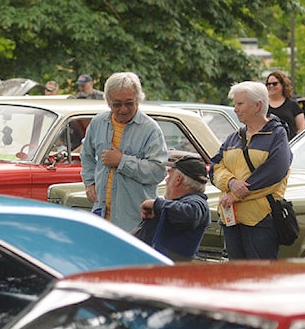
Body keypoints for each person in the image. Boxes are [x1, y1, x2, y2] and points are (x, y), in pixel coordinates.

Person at [210, 80, 292, 260]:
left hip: (261, 221)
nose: (235, 109)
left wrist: (236, 194)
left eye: (240, 104)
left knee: (260, 278)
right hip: (231, 219)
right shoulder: (234, 137)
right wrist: (231, 183)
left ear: (258, 106)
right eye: (235, 104)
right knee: (236, 276)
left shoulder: (277, 135)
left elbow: (275, 172)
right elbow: (215, 167)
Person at [80, 71, 168, 234]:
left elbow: (158, 171)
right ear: (108, 102)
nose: (123, 109)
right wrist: (89, 182)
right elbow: (86, 155)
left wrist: (122, 161)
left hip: (135, 222)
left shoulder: (150, 129)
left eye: (129, 103)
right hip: (101, 217)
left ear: (138, 99)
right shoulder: (98, 123)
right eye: (117, 104)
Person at [135, 155, 211, 261]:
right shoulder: (174, 205)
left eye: (169, 176)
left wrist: (156, 204)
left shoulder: (197, 202)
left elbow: (189, 215)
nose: (166, 180)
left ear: (178, 180)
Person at [265, 70, 305, 139]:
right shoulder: (263, 105)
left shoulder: (293, 105)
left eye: (274, 84)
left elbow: (300, 129)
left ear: (283, 85)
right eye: (268, 84)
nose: (271, 86)